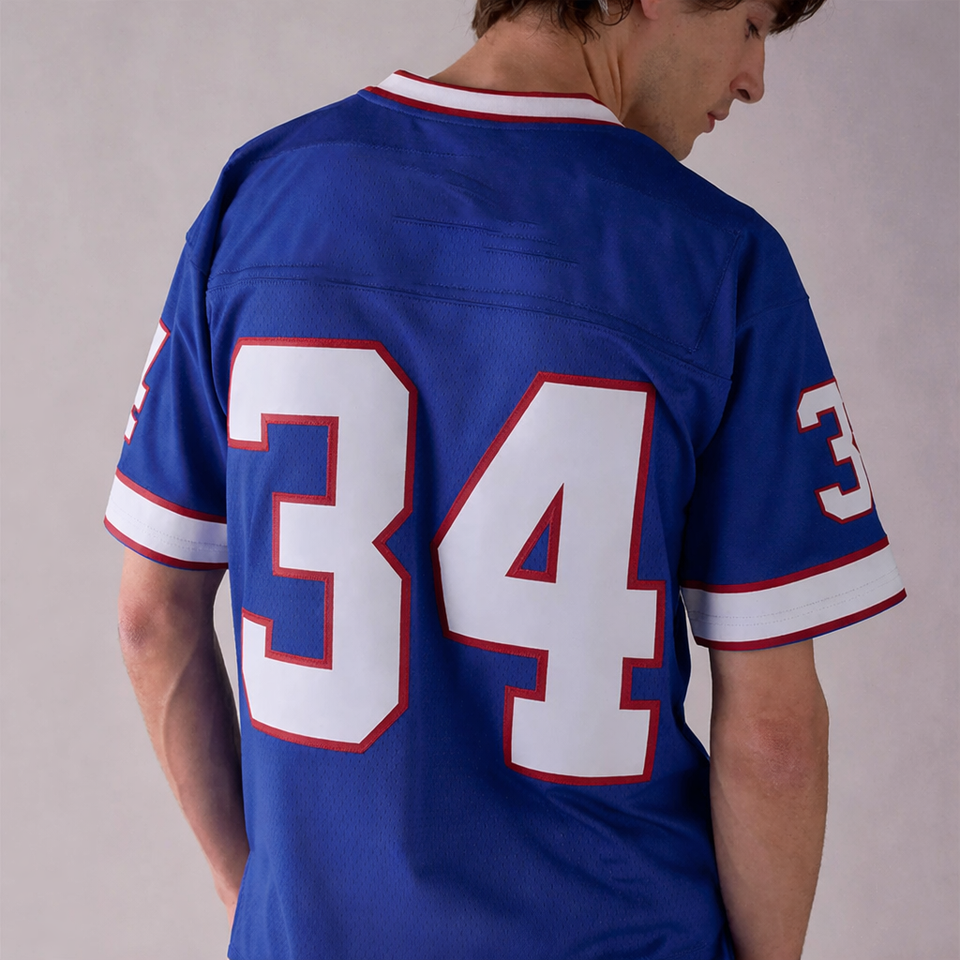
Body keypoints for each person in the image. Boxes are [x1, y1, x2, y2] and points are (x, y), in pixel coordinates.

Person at [105, 0, 906, 957]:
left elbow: (151, 618)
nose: (753, 79)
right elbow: (773, 738)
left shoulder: (257, 201)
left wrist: (260, 901)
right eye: (753, 24)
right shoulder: (719, 260)